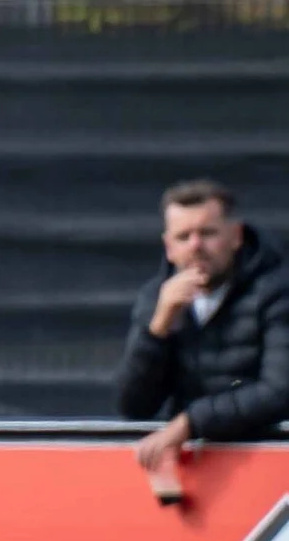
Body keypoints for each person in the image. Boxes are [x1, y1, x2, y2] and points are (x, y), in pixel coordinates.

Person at [117, 179, 289, 470]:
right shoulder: (157, 297)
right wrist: (157, 330)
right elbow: (133, 407)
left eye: (207, 233)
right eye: (183, 237)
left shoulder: (277, 292)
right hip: (192, 467)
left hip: (267, 461)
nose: (196, 246)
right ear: (168, 247)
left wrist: (190, 422)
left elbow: (280, 390)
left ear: (236, 236)